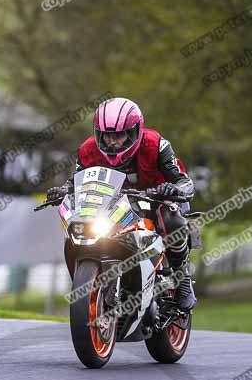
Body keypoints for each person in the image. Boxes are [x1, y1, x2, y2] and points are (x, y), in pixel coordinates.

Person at [47, 97, 197, 312]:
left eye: (119, 136)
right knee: (86, 221)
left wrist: (174, 190)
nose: (112, 142)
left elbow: (185, 181)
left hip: (158, 198)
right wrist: (63, 190)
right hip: (117, 202)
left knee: (171, 217)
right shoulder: (88, 150)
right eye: (107, 136)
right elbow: (77, 181)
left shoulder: (157, 145)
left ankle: (182, 280)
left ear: (135, 131)